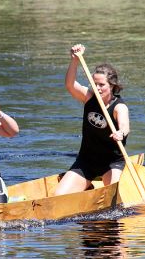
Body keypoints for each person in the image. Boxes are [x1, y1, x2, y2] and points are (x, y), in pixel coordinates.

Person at [55, 44, 130, 196]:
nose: (97, 88)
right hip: (86, 161)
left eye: (102, 85)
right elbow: (70, 85)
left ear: (112, 86)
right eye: (94, 84)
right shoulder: (89, 97)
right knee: (59, 196)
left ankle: (92, 188)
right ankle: (86, 187)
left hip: (111, 163)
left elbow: (125, 126)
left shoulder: (119, 107)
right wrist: (74, 60)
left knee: (112, 196)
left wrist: (120, 133)